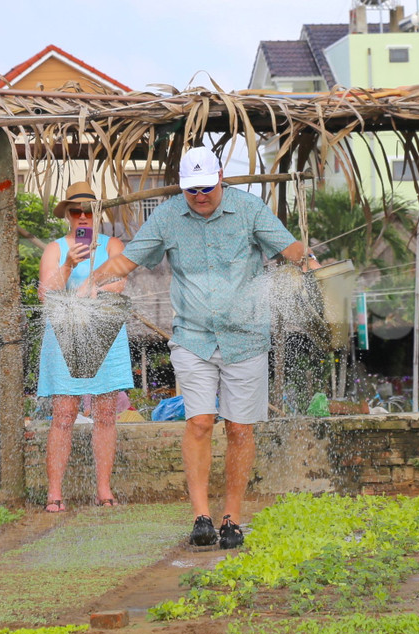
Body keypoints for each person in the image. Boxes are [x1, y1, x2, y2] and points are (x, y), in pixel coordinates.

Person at [83, 147, 318, 548]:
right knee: (199, 423)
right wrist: (91, 283)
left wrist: (311, 266)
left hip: (246, 337)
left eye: (208, 187)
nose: (201, 196)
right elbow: (131, 260)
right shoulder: (170, 215)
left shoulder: (249, 209)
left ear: (221, 176)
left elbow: (288, 247)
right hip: (192, 336)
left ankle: (232, 517)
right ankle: (201, 517)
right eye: (193, 190)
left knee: (240, 429)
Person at [36, 182, 134, 513]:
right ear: (67, 215)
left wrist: (95, 279)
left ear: (97, 214)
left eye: (88, 212)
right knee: (63, 413)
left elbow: (120, 283)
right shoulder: (55, 248)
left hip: (105, 334)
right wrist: (68, 267)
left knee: (106, 413)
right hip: (64, 337)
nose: (82, 217)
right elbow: (45, 294)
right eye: (75, 212)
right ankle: (54, 493)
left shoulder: (112, 245)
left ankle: (104, 490)